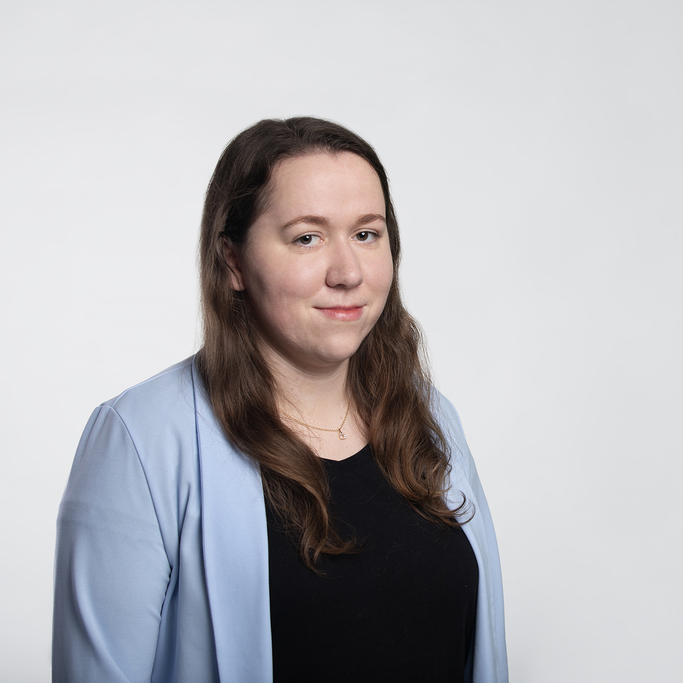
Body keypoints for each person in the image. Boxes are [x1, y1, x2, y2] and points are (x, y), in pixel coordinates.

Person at [52, 117, 507, 682]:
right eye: (306, 238)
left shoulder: (430, 419)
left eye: (367, 234)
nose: (348, 273)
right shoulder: (140, 437)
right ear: (233, 262)